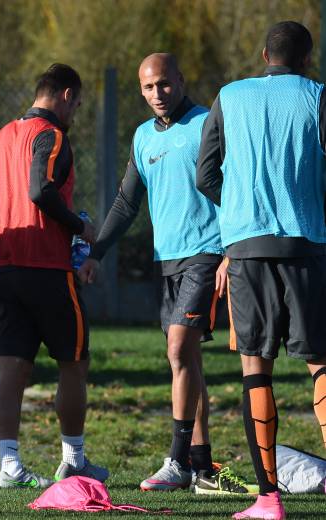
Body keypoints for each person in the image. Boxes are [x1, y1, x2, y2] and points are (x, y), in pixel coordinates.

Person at [79, 54, 252, 494]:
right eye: (148, 87)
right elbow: (126, 202)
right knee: (188, 361)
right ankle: (203, 467)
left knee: (178, 351)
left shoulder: (208, 124)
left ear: (181, 79)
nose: (157, 94)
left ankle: (176, 461)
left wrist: (231, 251)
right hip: (167, 261)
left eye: (164, 84)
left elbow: (235, 187)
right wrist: (97, 252)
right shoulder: (142, 137)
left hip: (206, 253)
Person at [196, 21, 326, 520]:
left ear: (264, 54)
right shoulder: (318, 95)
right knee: (321, 364)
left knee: (255, 368)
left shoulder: (229, 96)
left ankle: (268, 500)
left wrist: (237, 208)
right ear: (307, 59)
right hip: (307, 244)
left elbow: (205, 174)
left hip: (246, 249)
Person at [0, 63, 108, 489]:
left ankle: (9, 465)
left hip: (2, 266)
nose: (75, 113)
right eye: (78, 104)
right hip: (46, 268)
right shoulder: (51, 135)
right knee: (74, 362)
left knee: (13, 369)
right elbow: (40, 189)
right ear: (66, 95)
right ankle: (73, 459)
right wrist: (78, 226)